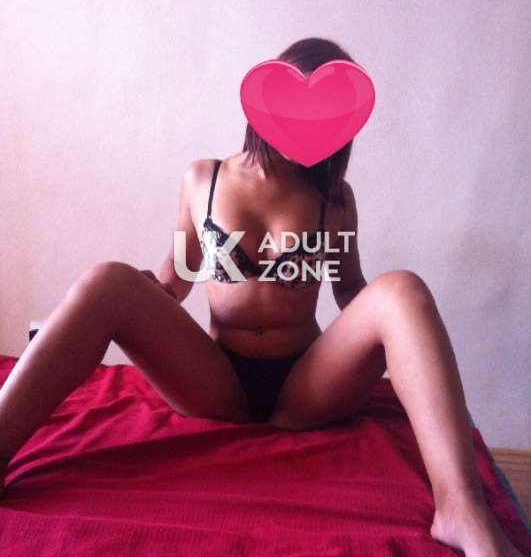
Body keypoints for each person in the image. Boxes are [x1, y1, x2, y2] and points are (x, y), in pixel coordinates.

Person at [0, 38, 523, 557]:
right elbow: (178, 278)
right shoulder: (202, 180)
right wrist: (136, 295)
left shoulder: (335, 200)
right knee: (106, 280)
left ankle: (461, 508)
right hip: (216, 380)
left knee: (403, 289)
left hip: (306, 386)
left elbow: (349, 288)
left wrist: (397, 330)